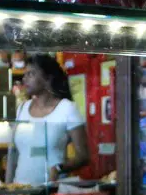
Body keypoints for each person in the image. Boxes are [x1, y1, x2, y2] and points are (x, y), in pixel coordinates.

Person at [7, 54, 90, 186]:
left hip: (50, 191)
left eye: (31, 74)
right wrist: (8, 187)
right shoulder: (22, 108)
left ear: (48, 78)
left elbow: (83, 156)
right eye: (25, 75)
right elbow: (13, 154)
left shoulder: (67, 108)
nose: (24, 79)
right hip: (21, 191)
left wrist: (58, 168)